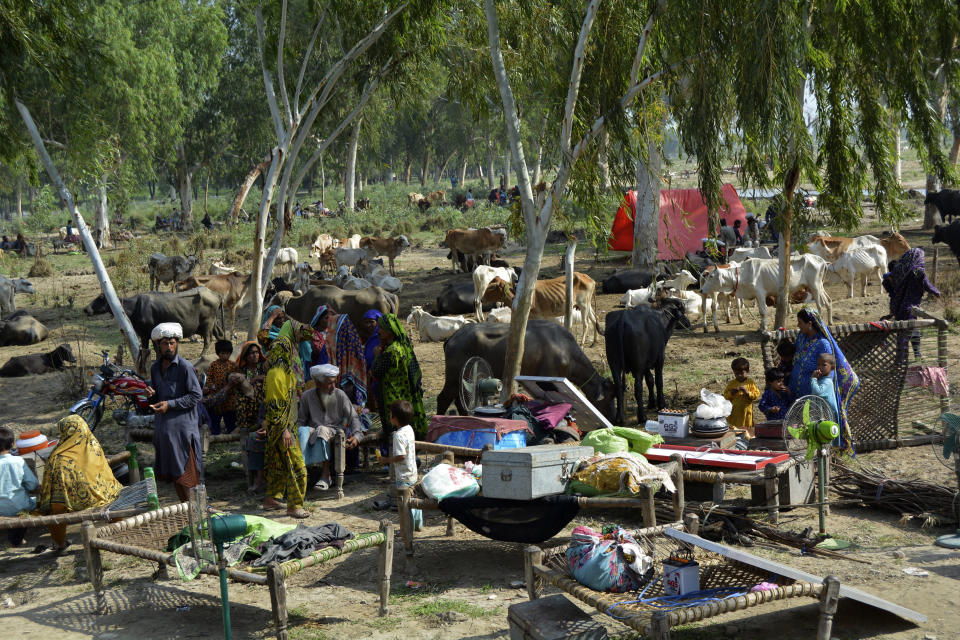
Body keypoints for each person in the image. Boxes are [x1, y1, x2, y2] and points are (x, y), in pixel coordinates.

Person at [34, 416, 121, 553]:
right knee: (114, 494)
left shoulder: (59, 457)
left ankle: (60, 543)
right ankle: (118, 530)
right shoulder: (93, 446)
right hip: (103, 498)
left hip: (74, 504)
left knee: (54, 507)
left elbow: (55, 490)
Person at [261, 319, 313, 519]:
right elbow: (275, 405)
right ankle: (295, 506)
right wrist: (285, 429)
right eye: (289, 347)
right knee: (297, 466)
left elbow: (309, 332)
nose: (293, 350)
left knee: (278, 464)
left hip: (282, 426)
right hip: (283, 427)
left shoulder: (286, 372)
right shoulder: (277, 374)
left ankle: (271, 499)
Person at [146, 323, 203, 503]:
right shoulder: (155, 368)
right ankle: (188, 513)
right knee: (175, 478)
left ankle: (196, 515)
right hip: (164, 431)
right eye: (165, 344)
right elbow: (156, 399)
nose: (169, 347)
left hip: (183, 431)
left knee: (187, 475)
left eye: (172, 343)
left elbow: (196, 395)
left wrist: (170, 405)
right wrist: (151, 397)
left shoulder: (185, 367)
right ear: (158, 346)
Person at [789, 308, 859, 455]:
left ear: (810, 323)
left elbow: (828, 369)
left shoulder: (823, 344)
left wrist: (816, 381)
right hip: (797, 393)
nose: (798, 326)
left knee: (814, 428)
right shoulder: (801, 338)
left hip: (813, 395)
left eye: (800, 323)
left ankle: (818, 455)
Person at [298, 364, 363, 490]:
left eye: (334, 382)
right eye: (329, 383)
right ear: (318, 383)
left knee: (322, 430)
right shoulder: (307, 396)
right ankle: (301, 472)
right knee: (302, 430)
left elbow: (353, 417)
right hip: (314, 430)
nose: (333, 386)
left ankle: (326, 475)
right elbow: (301, 420)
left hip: (335, 430)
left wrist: (357, 436)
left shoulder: (340, 395)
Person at [371, 314, 428, 439]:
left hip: (391, 397)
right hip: (403, 395)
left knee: (395, 432)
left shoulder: (391, 351)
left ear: (390, 330)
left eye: (381, 328)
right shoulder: (401, 346)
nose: (378, 331)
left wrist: (376, 356)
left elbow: (376, 372)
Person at [883, 248, 940, 361]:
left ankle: (908, 357)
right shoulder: (918, 271)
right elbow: (926, 285)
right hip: (910, 308)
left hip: (898, 308)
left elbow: (885, 281)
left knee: (906, 332)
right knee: (906, 333)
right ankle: (902, 361)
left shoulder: (900, 272)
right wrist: (936, 292)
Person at [376, 400, 422, 531]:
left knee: (405, 503)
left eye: (390, 414)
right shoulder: (409, 429)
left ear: (394, 418)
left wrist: (386, 460)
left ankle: (407, 527)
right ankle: (417, 524)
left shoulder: (398, 435)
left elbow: (401, 456)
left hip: (403, 475)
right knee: (414, 499)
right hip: (412, 472)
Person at [309, 306, 367, 406]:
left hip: (337, 388)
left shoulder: (329, 346)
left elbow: (320, 371)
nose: (329, 325)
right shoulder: (354, 342)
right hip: (352, 383)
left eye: (332, 323)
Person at [236, 341, 268, 491]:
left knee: (261, 387)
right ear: (246, 356)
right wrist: (254, 380)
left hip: (264, 408)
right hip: (248, 406)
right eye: (251, 353)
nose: (255, 355)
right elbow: (242, 387)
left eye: (257, 352)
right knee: (245, 395)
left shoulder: (264, 367)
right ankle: (245, 424)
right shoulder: (242, 370)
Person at [0, 425, 38, 547]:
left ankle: (15, 538)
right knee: (31, 502)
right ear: (12, 444)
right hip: (19, 507)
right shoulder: (18, 461)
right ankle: (17, 539)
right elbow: (33, 484)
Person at [203, 340, 239, 435]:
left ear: (230, 353)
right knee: (215, 418)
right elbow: (209, 379)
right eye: (222, 353)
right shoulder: (214, 365)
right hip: (217, 397)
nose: (225, 356)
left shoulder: (233, 365)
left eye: (227, 353)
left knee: (230, 418)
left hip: (230, 398)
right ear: (218, 353)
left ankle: (231, 434)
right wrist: (212, 386)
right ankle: (215, 434)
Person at [723, 357, 761, 434]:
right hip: (734, 412)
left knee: (747, 430)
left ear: (747, 371)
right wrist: (732, 393)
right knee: (734, 430)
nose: (739, 375)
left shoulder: (750, 383)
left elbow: (756, 395)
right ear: (733, 372)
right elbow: (725, 396)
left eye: (742, 373)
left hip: (746, 412)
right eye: (737, 374)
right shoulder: (732, 384)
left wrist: (748, 393)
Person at [362, 310, 383, 408]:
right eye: (366, 322)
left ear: (378, 322)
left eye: (371, 321)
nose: (368, 325)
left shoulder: (382, 337)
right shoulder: (371, 338)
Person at [810, 353, 840, 420]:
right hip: (820, 416)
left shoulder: (827, 382)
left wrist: (813, 378)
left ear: (832, 368)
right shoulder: (821, 380)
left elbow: (817, 392)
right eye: (818, 365)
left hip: (827, 417)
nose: (820, 367)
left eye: (824, 365)